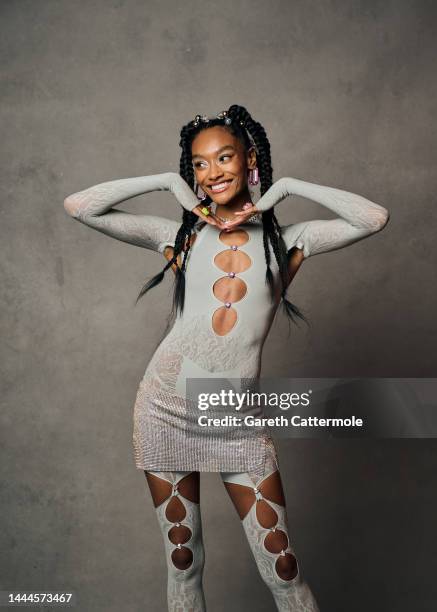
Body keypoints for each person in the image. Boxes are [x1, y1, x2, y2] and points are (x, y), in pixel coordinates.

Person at [63, 104, 389, 611]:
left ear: (249, 159)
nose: (212, 173)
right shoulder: (180, 237)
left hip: (234, 417)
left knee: (284, 568)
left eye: (224, 157)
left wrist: (288, 188)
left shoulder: (289, 243)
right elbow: (79, 205)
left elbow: (374, 217)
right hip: (164, 408)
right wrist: (163, 182)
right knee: (184, 562)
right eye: (198, 164)